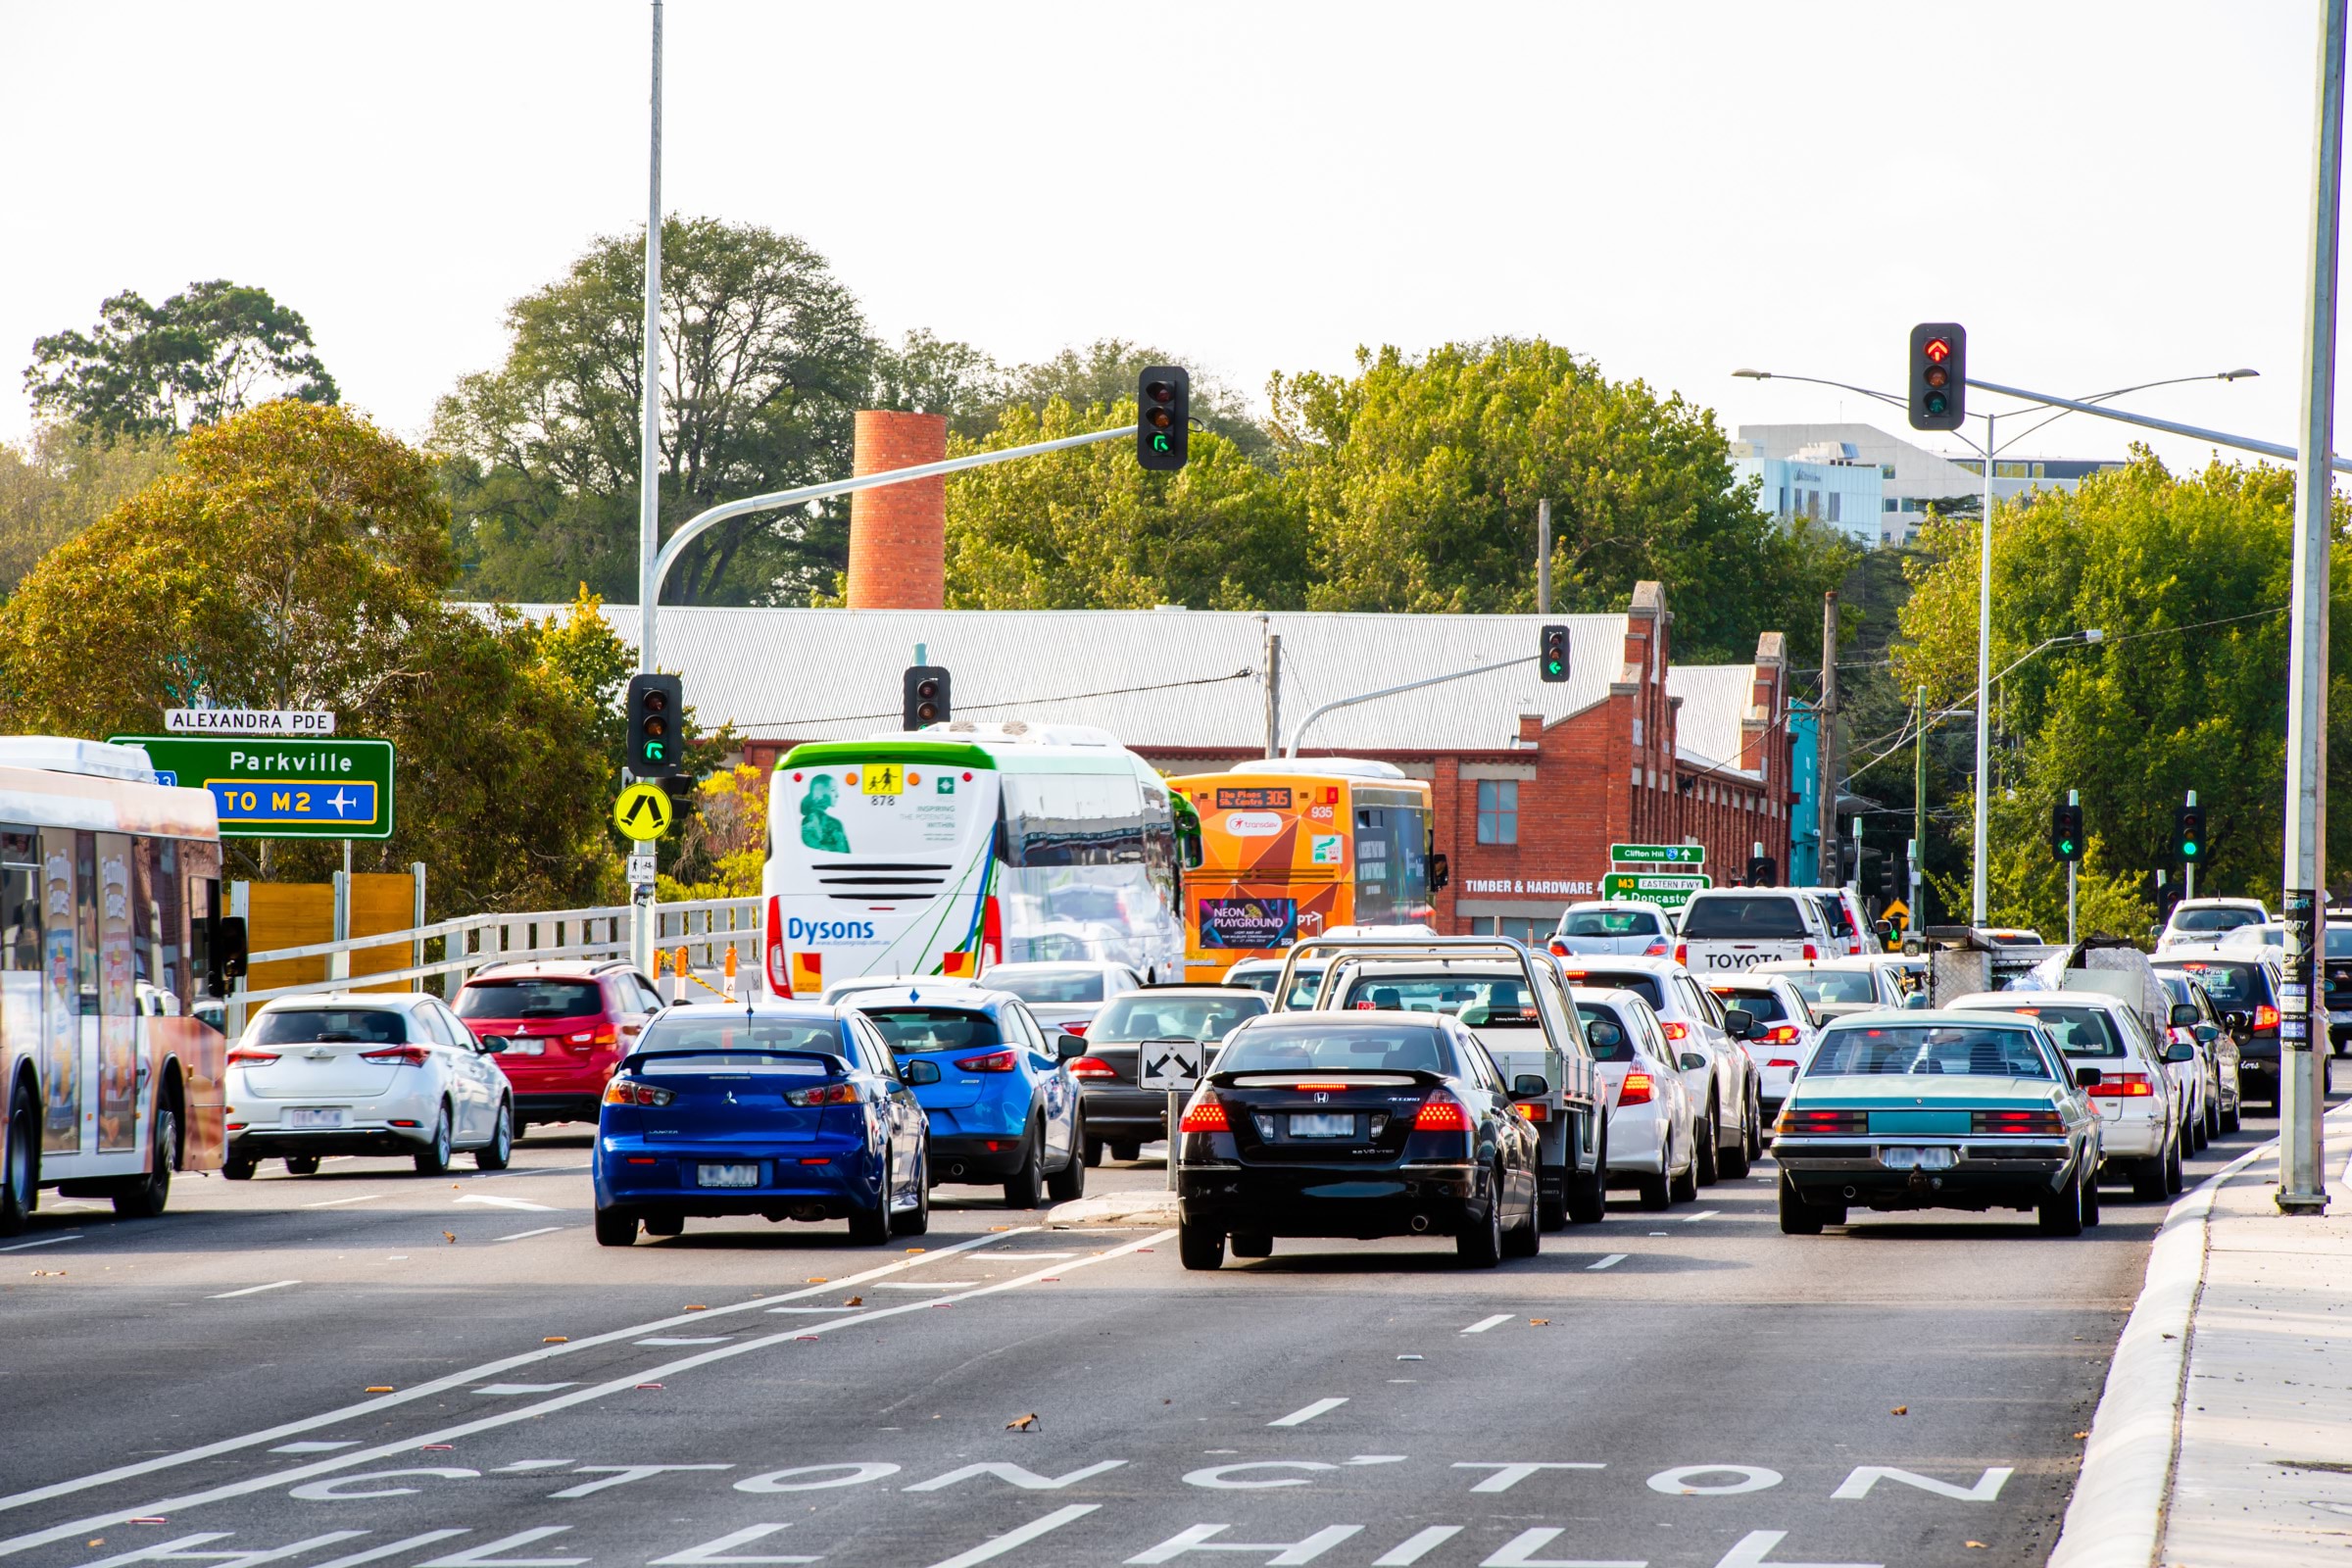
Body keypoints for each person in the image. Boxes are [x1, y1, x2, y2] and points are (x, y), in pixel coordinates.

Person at [801, 774, 851, 855]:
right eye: (833, 790)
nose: (837, 794)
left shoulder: (804, 822)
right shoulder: (834, 825)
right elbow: (845, 858)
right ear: (821, 793)